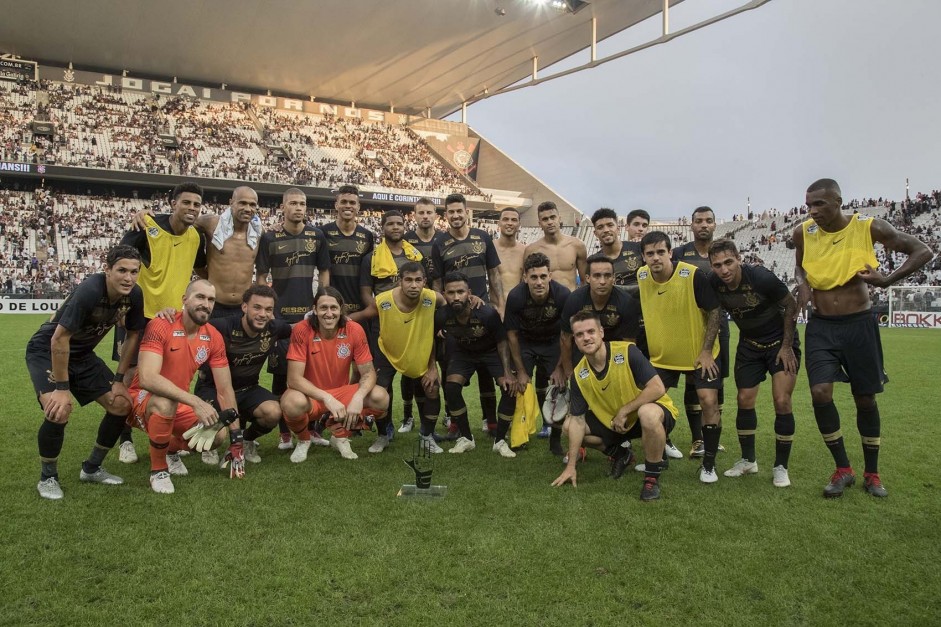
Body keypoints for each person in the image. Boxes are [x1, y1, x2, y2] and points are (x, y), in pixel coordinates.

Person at [794, 178, 932, 498]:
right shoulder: (802, 232)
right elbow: (800, 267)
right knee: (819, 393)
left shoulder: (868, 227)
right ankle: (843, 469)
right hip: (821, 326)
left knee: (865, 399)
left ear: (838, 201)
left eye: (819, 204)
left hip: (859, 324)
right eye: (808, 205)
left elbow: (921, 250)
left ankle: (872, 473)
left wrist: (886, 280)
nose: (812, 211)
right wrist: (801, 282)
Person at [27, 245, 146, 500]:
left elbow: (134, 333)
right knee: (58, 410)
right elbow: (59, 339)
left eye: (134, 271)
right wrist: (61, 389)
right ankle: (48, 477)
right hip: (47, 350)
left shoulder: (134, 295)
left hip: (81, 355)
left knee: (121, 404)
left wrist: (118, 380)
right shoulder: (91, 290)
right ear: (107, 270)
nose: (129, 277)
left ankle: (92, 469)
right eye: (122, 270)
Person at [116, 181, 208, 464]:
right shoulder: (146, 226)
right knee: (129, 377)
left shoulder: (196, 237)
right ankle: (125, 440)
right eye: (186, 202)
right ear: (173, 203)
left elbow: (202, 269)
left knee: (168, 378)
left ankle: (167, 440)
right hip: (138, 315)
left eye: (196, 204)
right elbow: (120, 260)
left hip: (172, 319)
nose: (191, 208)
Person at [127, 279, 241, 494]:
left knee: (217, 435)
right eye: (200, 297)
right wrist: (195, 401)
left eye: (211, 300)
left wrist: (237, 438)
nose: (205, 304)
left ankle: (169, 449)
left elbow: (225, 389)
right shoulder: (161, 324)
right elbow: (148, 378)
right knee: (165, 402)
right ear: (184, 299)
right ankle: (158, 470)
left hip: (177, 401)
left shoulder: (213, 336)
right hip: (142, 398)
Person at [550, 312, 678, 501]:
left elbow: (657, 388)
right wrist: (571, 467)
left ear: (601, 332)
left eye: (591, 331)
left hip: (648, 414)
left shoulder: (627, 351)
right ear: (574, 340)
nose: (586, 338)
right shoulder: (578, 375)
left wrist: (625, 410)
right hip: (614, 422)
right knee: (569, 426)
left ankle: (651, 479)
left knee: (647, 413)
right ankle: (621, 454)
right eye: (579, 335)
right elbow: (577, 419)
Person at [708, 239, 799, 487]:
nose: (724, 270)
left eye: (728, 262)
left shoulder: (761, 277)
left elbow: (791, 303)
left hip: (780, 344)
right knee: (744, 399)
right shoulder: (714, 282)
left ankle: (781, 466)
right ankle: (748, 460)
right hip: (750, 345)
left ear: (739, 258)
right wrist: (706, 349)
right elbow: (715, 316)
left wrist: (787, 346)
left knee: (782, 400)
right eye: (717, 265)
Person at [637, 231, 722, 484]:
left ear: (670, 253)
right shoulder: (641, 276)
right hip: (662, 357)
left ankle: (709, 465)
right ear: (643, 257)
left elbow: (715, 311)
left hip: (699, 354)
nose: (655, 258)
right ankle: (658, 454)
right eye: (650, 254)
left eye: (660, 252)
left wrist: (706, 350)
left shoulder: (692, 275)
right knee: (649, 405)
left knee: (708, 401)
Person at [256, 187, 332, 450]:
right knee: (280, 374)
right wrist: (268, 311)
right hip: (279, 318)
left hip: (309, 317)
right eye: (293, 203)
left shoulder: (317, 235)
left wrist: (320, 304)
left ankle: (311, 429)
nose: (299, 208)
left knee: (311, 374)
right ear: (283, 206)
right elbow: (261, 277)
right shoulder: (269, 237)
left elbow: (324, 272)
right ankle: (285, 434)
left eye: (302, 204)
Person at [280, 287, 390, 461]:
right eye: (323, 308)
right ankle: (304, 440)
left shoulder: (354, 329)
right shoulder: (302, 329)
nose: (329, 313)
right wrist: (326, 398)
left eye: (333, 308)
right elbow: (293, 379)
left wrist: (358, 397)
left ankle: (340, 436)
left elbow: (368, 372)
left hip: (341, 394)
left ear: (341, 309)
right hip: (312, 397)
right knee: (292, 402)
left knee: (380, 397)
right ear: (314, 310)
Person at [193, 285, 292, 464]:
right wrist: (168, 313)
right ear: (244, 307)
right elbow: (189, 324)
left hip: (248, 390)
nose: (263, 314)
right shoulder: (222, 326)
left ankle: (246, 441)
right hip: (212, 389)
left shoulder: (276, 328)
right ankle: (211, 446)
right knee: (217, 430)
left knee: (273, 412)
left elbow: (303, 330)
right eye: (257, 307)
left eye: (268, 309)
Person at [432, 193, 504, 434]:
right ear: (445, 216)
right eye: (450, 212)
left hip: (481, 314)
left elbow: (494, 274)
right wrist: (446, 312)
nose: (455, 215)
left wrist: (499, 306)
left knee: (486, 371)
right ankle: (455, 423)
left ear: (466, 212)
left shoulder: (483, 237)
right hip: (455, 318)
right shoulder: (439, 244)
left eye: (459, 211)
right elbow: (437, 283)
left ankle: (490, 421)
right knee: (451, 369)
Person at [436, 272, 518, 456]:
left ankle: (500, 441)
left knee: (509, 387)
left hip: (490, 352)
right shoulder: (441, 315)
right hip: (463, 352)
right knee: (451, 388)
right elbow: (429, 339)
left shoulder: (487, 313)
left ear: (469, 293)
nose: (456, 297)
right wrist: (430, 368)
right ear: (444, 294)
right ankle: (466, 438)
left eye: (460, 292)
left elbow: (502, 341)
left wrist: (507, 371)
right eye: (451, 292)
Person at [358, 210, 424, 434]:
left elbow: (426, 289)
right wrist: (378, 310)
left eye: (399, 223)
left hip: (412, 323)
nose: (395, 227)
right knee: (382, 380)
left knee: (418, 375)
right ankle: (385, 430)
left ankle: (425, 428)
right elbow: (366, 292)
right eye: (390, 224)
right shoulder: (372, 257)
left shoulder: (415, 256)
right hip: (383, 324)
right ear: (382, 227)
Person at [672, 206, 730, 459]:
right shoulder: (679, 253)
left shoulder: (724, 253)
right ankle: (698, 439)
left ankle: (713, 435)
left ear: (715, 225)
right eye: (698, 221)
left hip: (720, 325)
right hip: (688, 328)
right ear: (691, 225)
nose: (703, 224)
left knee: (717, 381)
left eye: (708, 221)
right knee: (693, 379)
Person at [374, 261, 445, 453]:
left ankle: (426, 437)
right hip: (387, 351)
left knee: (432, 388)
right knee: (378, 395)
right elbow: (366, 314)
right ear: (399, 281)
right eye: (408, 280)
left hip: (416, 351)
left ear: (424, 282)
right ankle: (382, 435)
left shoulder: (431, 298)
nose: (413, 285)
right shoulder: (383, 300)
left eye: (418, 280)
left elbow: (447, 303)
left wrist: (443, 324)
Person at [505, 252, 571, 455]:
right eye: (534, 277)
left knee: (560, 387)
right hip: (526, 342)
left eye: (543, 276)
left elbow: (566, 336)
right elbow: (513, 336)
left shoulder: (562, 295)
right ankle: (518, 435)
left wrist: (560, 368)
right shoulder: (516, 296)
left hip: (554, 343)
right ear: (525, 277)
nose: (539, 282)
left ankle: (555, 440)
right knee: (518, 386)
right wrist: (521, 371)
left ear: (550, 275)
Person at [558, 254, 641, 382]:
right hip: (583, 353)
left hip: (614, 353)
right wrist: (569, 371)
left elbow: (629, 343)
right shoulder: (574, 300)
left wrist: (626, 371)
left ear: (613, 278)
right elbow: (565, 338)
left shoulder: (626, 302)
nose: (602, 281)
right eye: (597, 276)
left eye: (607, 276)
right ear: (587, 278)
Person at [400, 198, 444, 433]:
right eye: (421, 212)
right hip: (412, 310)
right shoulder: (406, 239)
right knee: (410, 367)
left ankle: (445, 414)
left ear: (436, 215)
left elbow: (442, 277)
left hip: (435, 307)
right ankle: (407, 416)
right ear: (414, 215)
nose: (425, 216)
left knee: (440, 362)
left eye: (429, 212)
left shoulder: (443, 239)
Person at [321, 185, 374, 323]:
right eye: (344, 202)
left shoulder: (367, 236)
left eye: (352, 203)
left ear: (358, 207)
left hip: (359, 307)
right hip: (332, 305)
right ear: (336, 205)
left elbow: (368, 272)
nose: (348, 206)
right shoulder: (323, 233)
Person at [522, 201, 587, 291]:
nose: (550, 222)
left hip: (571, 300)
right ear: (539, 224)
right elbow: (526, 281)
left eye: (553, 217)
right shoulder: (532, 250)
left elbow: (585, 281)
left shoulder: (577, 245)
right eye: (545, 219)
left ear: (559, 219)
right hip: (545, 303)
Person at [591, 208, 645, 293]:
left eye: (610, 225)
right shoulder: (594, 261)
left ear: (618, 229)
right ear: (595, 233)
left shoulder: (638, 248)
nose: (606, 230)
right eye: (600, 227)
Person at [493, 207, 527, 313]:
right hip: (494, 309)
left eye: (514, 220)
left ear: (519, 224)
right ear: (499, 223)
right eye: (506, 219)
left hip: (519, 310)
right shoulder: (490, 248)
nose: (509, 223)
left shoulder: (525, 250)